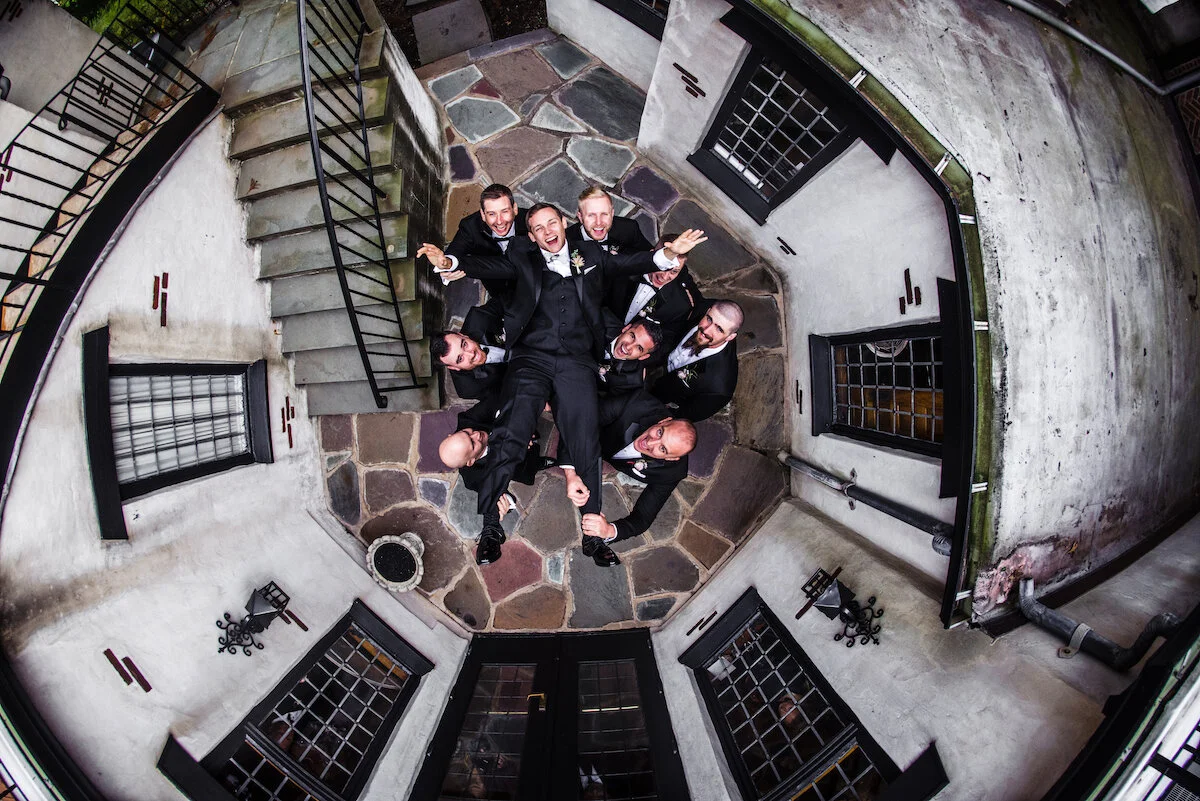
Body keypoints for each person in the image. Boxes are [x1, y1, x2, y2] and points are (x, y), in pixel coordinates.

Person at [417, 206, 706, 568]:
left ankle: (592, 536)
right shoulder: (522, 255)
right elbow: (489, 267)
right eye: (537, 228)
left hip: (576, 360)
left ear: (563, 226)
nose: (546, 231)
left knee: (584, 430)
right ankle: (491, 526)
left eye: (551, 223)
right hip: (531, 356)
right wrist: (448, 264)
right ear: (532, 235)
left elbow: (632, 263)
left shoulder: (591, 254)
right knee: (513, 424)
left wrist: (669, 253)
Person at [568, 390, 696, 545]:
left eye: (662, 449)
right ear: (664, 420)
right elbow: (581, 422)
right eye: (660, 432)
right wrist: (570, 472)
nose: (649, 443)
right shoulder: (638, 403)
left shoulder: (672, 473)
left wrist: (609, 530)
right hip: (594, 434)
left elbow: (643, 518)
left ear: (671, 458)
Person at [437, 401, 548, 564]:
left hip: (522, 426)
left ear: (452, 435)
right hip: (520, 463)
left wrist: (519, 428)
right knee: (527, 468)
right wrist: (504, 502)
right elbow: (492, 492)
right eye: (473, 444)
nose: (476, 435)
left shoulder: (468, 419)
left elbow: (500, 397)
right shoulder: (473, 478)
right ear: (470, 461)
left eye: (467, 433)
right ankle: (539, 462)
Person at [437, 183, 528, 307]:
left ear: (515, 209)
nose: (499, 221)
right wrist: (446, 264)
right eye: (492, 214)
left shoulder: (530, 221)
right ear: (483, 215)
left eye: (505, 211)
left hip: (532, 283)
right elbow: (454, 252)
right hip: (498, 291)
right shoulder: (470, 227)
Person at [651, 299, 743, 422]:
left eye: (719, 329)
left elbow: (687, 414)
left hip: (661, 395)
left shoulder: (719, 388)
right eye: (709, 319)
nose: (706, 330)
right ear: (708, 311)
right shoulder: (701, 307)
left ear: (730, 337)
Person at [606, 233, 704, 344]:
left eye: (674, 271)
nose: (665, 276)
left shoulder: (680, 306)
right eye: (664, 267)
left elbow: (661, 343)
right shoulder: (624, 267)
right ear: (653, 255)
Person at [431, 303, 508, 401]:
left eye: (464, 344)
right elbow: (503, 399)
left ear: (463, 335)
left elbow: (510, 300)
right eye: (460, 359)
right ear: (453, 367)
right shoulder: (468, 388)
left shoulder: (478, 317)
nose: (471, 354)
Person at [568, 186, 653, 254]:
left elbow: (650, 256)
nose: (598, 222)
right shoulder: (567, 240)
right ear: (580, 217)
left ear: (612, 214)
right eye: (591, 215)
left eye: (604, 214)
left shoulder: (629, 229)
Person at [597, 317, 663, 396]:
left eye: (639, 348)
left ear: (643, 356)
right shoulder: (601, 321)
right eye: (632, 336)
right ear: (626, 329)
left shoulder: (632, 383)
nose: (628, 347)